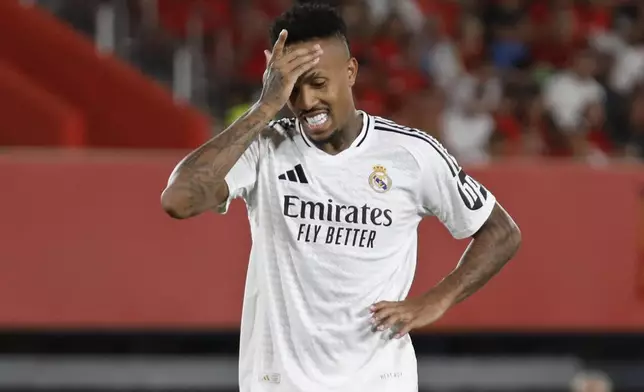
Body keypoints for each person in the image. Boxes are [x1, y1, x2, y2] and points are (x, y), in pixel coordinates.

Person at [161, 3, 521, 391]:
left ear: (350, 72)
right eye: (293, 87)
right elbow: (178, 199)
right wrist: (265, 106)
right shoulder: (263, 149)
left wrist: (437, 299)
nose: (305, 101)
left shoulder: (411, 154)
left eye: (317, 82)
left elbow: (501, 232)